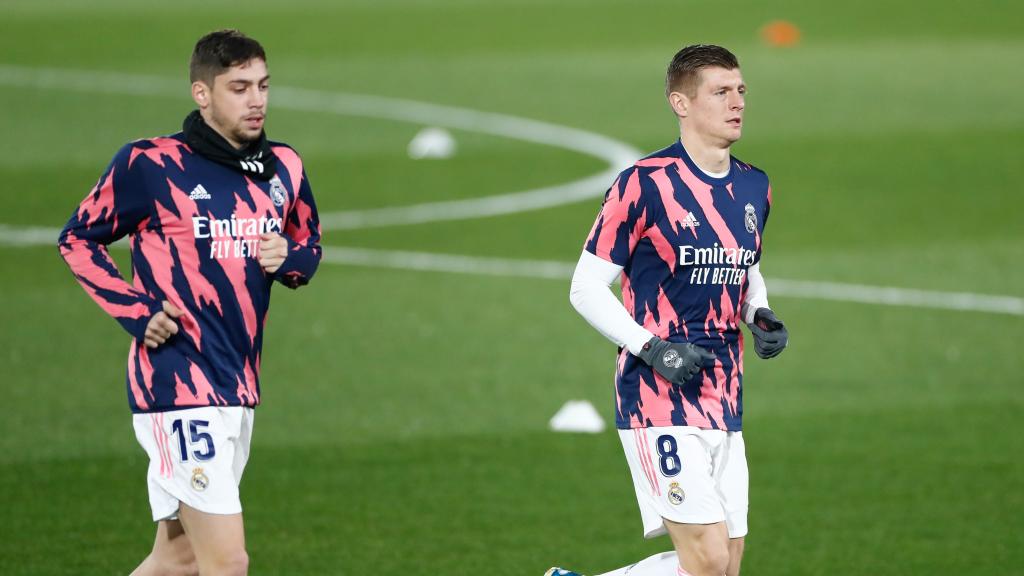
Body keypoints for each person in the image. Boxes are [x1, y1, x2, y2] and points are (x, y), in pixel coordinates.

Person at [57, 29, 322, 576]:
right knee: (227, 562)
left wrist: (289, 257)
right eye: (239, 88)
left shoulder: (284, 167)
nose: (256, 100)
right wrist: (136, 312)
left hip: (236, 384)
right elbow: (78, 238)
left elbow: (308, 248)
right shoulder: (151, 164)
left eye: (263, 85)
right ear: (202, 93)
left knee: (177, 560)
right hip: (177, 385)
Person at [549, 44, 789, 576]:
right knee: (707, 560)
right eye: (720, 92)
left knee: (724, 567)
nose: (737, 103)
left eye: (741, 90)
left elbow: (744, 265)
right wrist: (653, 349)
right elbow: (585, 286)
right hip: (656, 394)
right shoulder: (644, 184)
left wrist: (760, 313)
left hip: (724, 393)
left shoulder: (755, 185)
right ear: (681, 103)